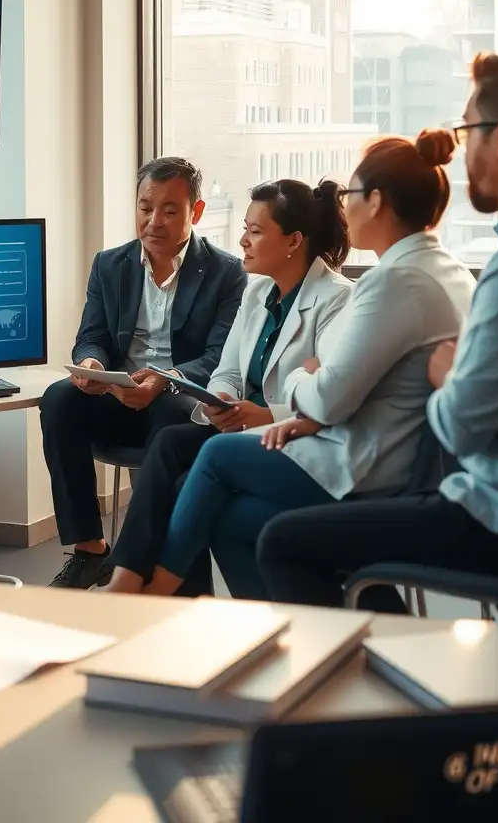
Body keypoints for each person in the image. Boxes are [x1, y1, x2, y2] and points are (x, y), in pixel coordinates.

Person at [255, 51, 498, 612]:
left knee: (283, 543)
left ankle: (371, 691)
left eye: (469, 134)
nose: (463, 157)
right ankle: (384, 675)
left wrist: (449, 376)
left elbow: (461, 430)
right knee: (275, 523)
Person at [130, 128, 476, 599]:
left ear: (375, 202)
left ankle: (157, 589)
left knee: (212, 461)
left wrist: (301, 376)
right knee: (227, 514)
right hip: (397, 458)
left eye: (351, 194)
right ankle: (296, 629)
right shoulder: (446, 270)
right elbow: (332, 386)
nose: (344, 206)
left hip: (366, 465)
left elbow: (329, 397)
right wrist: (307, 382)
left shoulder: (393, 283)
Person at [103, 179, 354, 597]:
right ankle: (131, 576)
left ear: (293, 241)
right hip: (238, 427)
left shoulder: (337, 300)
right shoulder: (256, 290)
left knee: (187, 482)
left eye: (255, 231)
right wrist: (218, 398)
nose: (242, 240)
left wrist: (265, 414)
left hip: (293, 438)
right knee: (169, 443)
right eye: (244, 228)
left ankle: (157, 589)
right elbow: (229, 371)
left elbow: (328, 396)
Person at [42, 156, 246, 588]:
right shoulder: (109, 265)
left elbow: (220, 355)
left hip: (178, 399)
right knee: (59, 398)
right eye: (145, 207)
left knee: (172, 412)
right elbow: (91, 335)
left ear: (197, 212)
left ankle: (146, 558)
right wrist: (93, 364)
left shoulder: (226, 272)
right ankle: (89, 549)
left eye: (170, 210)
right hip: (119, 396)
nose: (154, 221)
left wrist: (164, 379)